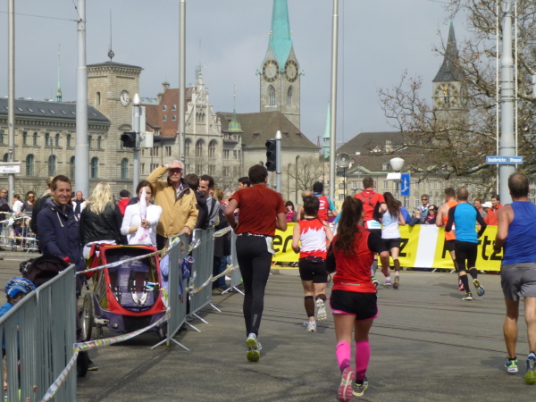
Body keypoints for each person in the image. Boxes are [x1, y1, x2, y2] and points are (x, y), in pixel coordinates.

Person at [326, 196, 390, 400]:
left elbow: (329, 267)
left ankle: (346, 369)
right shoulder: (370, 237)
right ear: (362, 213)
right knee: (362, 339)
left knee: (343, 339)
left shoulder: (337, 239)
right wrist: (386, 271)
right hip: (365, 293)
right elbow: (385, 254)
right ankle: (360, 382)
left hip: (343, 292)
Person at [224, 165, 286, 362]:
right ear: (266, 178)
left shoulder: (241, 193)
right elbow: (283, 225)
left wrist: (235, 225)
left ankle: (248, 334)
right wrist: (269, 218)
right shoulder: (276, 196)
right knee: (259, 290)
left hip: (243, 241)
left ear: (249, 179)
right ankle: (253, 333)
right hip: (262, 244)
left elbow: (228, 211)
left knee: (249, 290)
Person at [494, 173, 536, 382]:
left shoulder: (505, 211)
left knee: (512, 314)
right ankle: (533, 354)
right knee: (532, 315)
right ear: (528, 189)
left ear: (509, 191)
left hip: (511, 264)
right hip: (533, 265)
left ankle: (512, 360)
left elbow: (502, 236)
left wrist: (496, 246)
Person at [291, 196, 333, 332]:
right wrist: (326, 248)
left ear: (304, 209)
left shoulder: (299, 225)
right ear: (317, 209)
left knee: (308, 292)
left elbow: (294, 245)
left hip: (305, 260)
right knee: (321, 291)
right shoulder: (324, 224)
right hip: (321, 259)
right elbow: (333, 241)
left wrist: (298, 249)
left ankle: (311, 322)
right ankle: (320, 300)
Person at [445, 187, 486, 301]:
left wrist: (447, 228)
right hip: (473, 240)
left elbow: (448, 227)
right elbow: (484, 224)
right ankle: (475, 279)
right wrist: (478, 235)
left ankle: (468, 292)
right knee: (472, 265)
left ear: (457, 197)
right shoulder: (474, 208)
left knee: (461, 267)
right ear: (468, 197)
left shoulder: (453, 209)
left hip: (460, 240)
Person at [37, 175, 85, 272]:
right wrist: (64, 260)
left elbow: (78, 241)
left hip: (77, 269)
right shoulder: (45, 214)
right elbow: (49, 242)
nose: (65, 194)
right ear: (52, 191)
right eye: (61, 190)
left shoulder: (72, 213)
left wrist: (82, 262)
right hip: (57, 269)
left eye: (68, 190)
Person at [147, 161, 198, 250]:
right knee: (158, 258)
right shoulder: (160, 186)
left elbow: (194, 214)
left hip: (178, 236)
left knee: (176, 259)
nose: (175, 173)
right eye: (172, 170)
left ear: (181, 173)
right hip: (159, 234)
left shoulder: (189, 192)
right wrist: (166, 166)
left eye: (177, 171)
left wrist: (188, 226)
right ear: (168, 172)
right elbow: (149, 181)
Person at [80, 182, 123, 259]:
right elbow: (120, 229)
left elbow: (81, 230)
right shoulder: (113, 207)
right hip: (109, 247)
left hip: (90, 247)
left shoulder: (86, 208)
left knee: (91, 267)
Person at [355, 177, 384, 286]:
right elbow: (384, 208)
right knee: (374, 252)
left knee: (361, 250)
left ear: (363, 186)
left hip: (362, 225)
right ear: (373, 185)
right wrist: (379, 213)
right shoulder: (379, 196)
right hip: (374, 224)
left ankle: (365, 275)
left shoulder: (357, 196)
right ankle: (372, 275)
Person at [121, 181, 162, 247]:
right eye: (142, 193)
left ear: (151, 195)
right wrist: (138, 227)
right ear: (137, 193)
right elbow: (123, 230)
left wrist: (148, 223)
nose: (145, 195)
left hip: (150, 246)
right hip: (134, 246)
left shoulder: (157, 209)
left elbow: (155, 221)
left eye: (148, 193)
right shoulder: (130, 208)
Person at [436, 187, 462, 290]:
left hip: (450, 235)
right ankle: (463, 277)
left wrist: (444, 223)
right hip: (461, 235)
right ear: (455, 195)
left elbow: (438, 223)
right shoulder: (460, 206)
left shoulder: (443, 207)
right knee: (462, 258)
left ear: (446, 196)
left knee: (455, 259)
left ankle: (461, 278)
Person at [379, 192, 406, 288]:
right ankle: (397, 274)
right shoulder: (396, 210)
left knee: (385, 259)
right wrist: (396, 222)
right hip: (395, 235)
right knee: (395, 257)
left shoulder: (382, 209)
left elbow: (378, 218)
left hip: (385, 235)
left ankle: (388, 278)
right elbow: (403, 222)